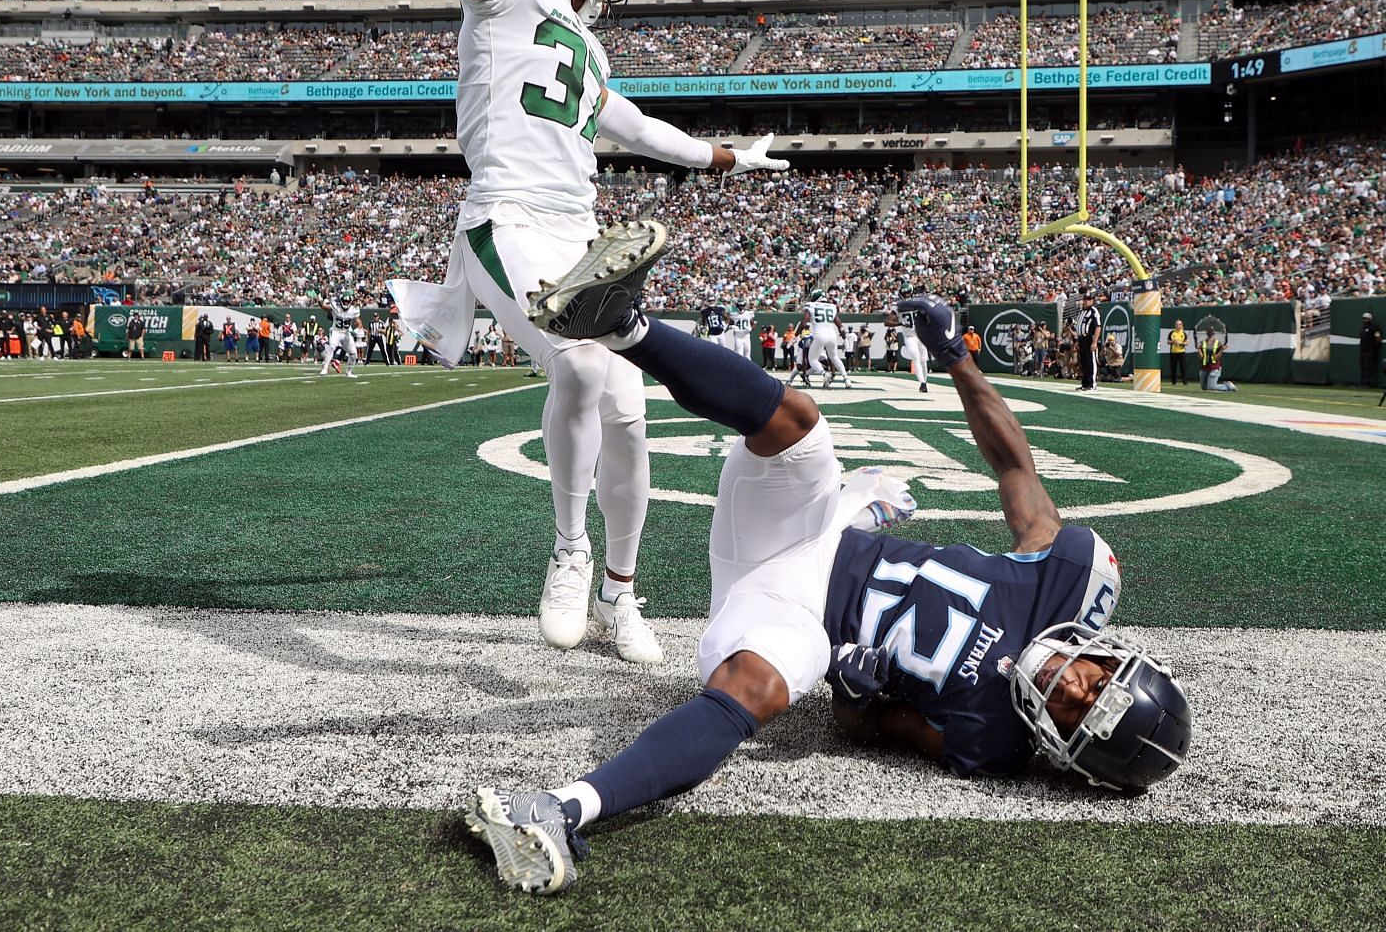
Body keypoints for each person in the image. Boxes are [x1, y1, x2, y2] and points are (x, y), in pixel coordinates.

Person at [294, 0, 788, 664]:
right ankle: (567, 554)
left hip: (578, 228)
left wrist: (726, 155)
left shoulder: (584, 51)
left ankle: (621, 595)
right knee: (585, 363)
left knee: (634, 410)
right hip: (505, 220)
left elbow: (635, 126)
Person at [470, 226, 1191, 895]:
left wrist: (856, 689)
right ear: (1114, 654)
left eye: (1077, 712)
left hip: (794, 618)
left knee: (765, 683)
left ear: (1065, 752)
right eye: (1096, 680)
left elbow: (867, 725)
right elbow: (1012, 463)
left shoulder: (992, 739)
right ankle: (622, 322)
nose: (1071, 685)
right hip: (810, 534)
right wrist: (957, 357)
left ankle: (562, 806)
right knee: (800, 426)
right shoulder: (1066, 578)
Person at [1074, 293, 1102, 391]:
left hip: (1089, 338)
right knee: (1084, 361)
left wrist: (1094, 342)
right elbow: (1079, 327)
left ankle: (1092, 383)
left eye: (1088, 300)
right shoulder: (1082, 312)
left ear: (1092, 301)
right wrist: (1077, 340)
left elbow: (1098, 326)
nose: (1086, 301)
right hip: (1081, 339)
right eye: (1085, 299)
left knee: (1091, 361)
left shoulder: (1094, 311)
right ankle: (1085, 383)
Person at [1358, 312, 1384, 388]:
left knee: (1369, 367)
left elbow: (1378, 338)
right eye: (1363, 318)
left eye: (1366, 318)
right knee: (1363, 366)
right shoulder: (1363, 328)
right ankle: (1363, 382)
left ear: (1370, 319)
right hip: (1363, 350)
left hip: (1370, 351)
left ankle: (1369, 383)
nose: (1364, 320)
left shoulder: (1374, 327)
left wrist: (1375, 347)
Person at [1166, 319, 1190, 386]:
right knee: (1173, 367)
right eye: (1177, 324)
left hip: (1181, 352)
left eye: (1179, 324)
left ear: (1182, 326)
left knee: (1183, 367)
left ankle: (1185, 382)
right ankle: (1173, 381)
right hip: (1173, 352)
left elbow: (1187, 342)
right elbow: (1168, 341)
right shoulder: (1172, 333)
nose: (1178, 326)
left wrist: (1181, 342)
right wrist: (1173, 341)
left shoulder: (1183, 333)